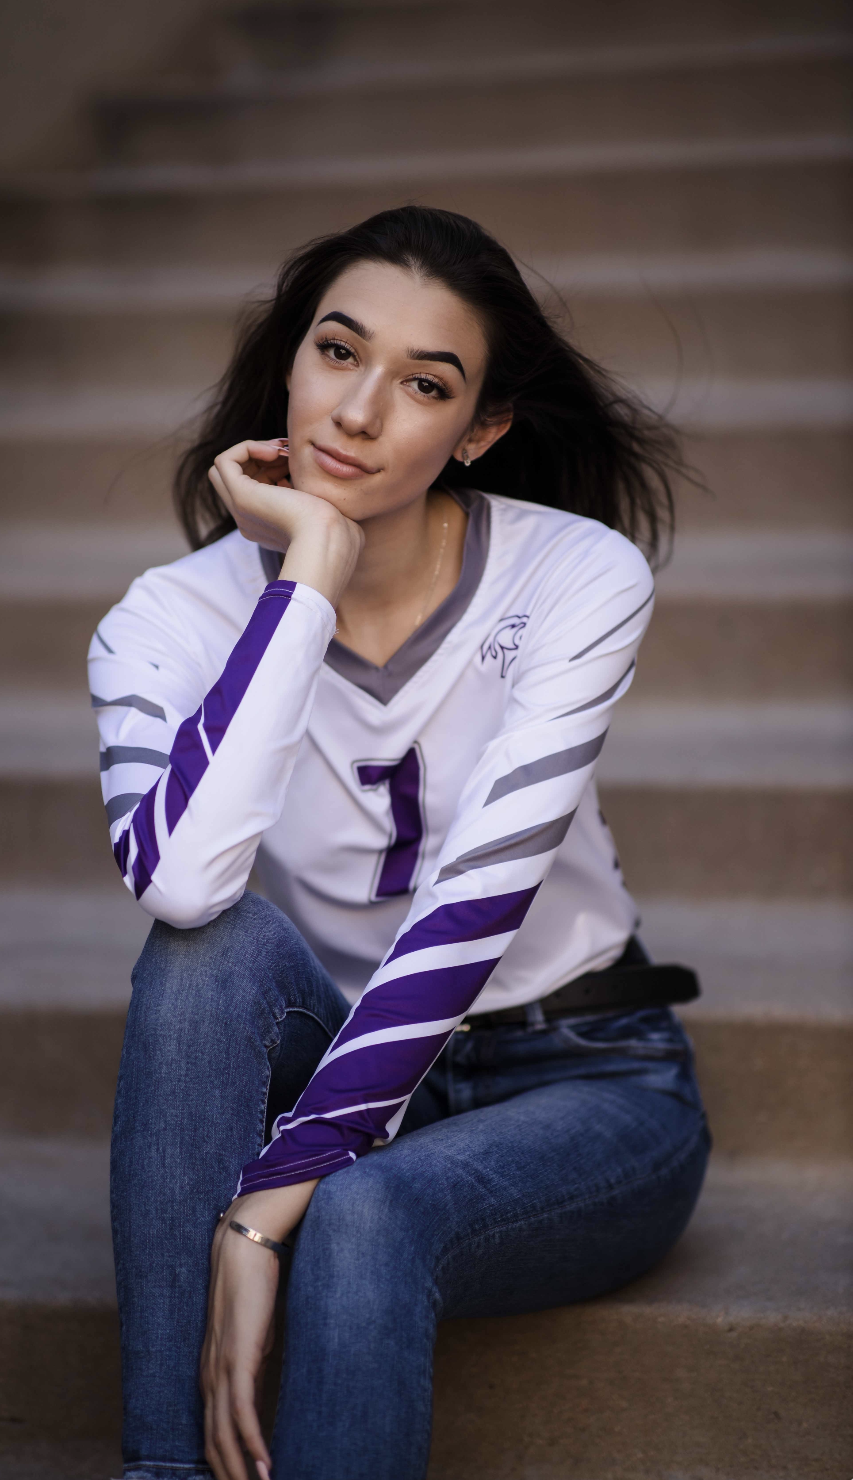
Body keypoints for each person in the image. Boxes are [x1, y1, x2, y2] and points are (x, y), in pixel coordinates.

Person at [90, 205, 710, 1480]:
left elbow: (476, 901)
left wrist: (267, 1207)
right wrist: (305, 573)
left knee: (365, 1210)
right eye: (336, 351)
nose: (358, 412)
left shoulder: (576, 577)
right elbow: (181, 880)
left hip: (584, 1073)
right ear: (290, 361)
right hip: (358, 1070)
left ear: (478, 430)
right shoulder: (162, 618)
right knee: (204, 954)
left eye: (422, 383)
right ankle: (162, 1467)